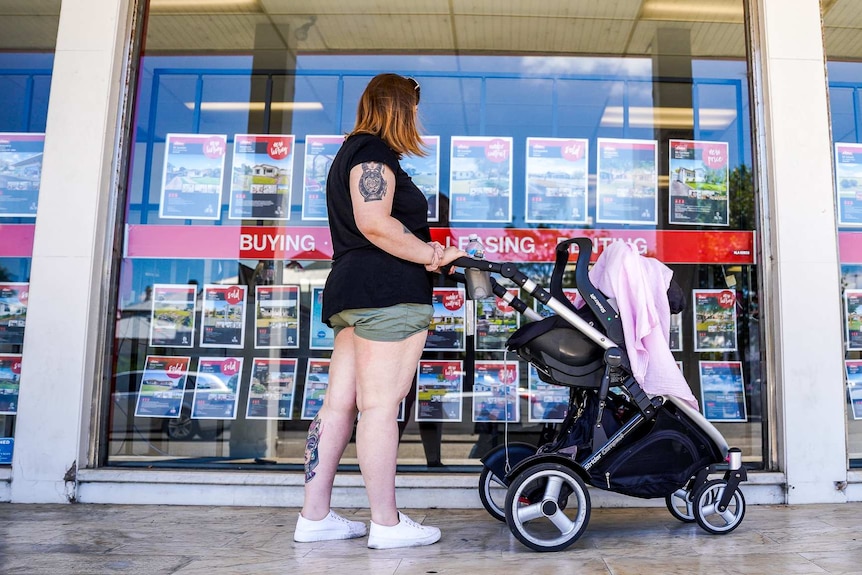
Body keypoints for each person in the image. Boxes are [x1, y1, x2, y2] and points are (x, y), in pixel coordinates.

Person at [293, 74, 465, 549]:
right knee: (380, 409)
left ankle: (314, 516)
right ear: (400, 111)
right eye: (413, 110)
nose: (417, 120)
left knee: (337, 406)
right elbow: (375, 223)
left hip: (350, 292)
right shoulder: (375, 156)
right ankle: (386, 525)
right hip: (388, 293)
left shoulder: (347, 153)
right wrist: (433, 255)